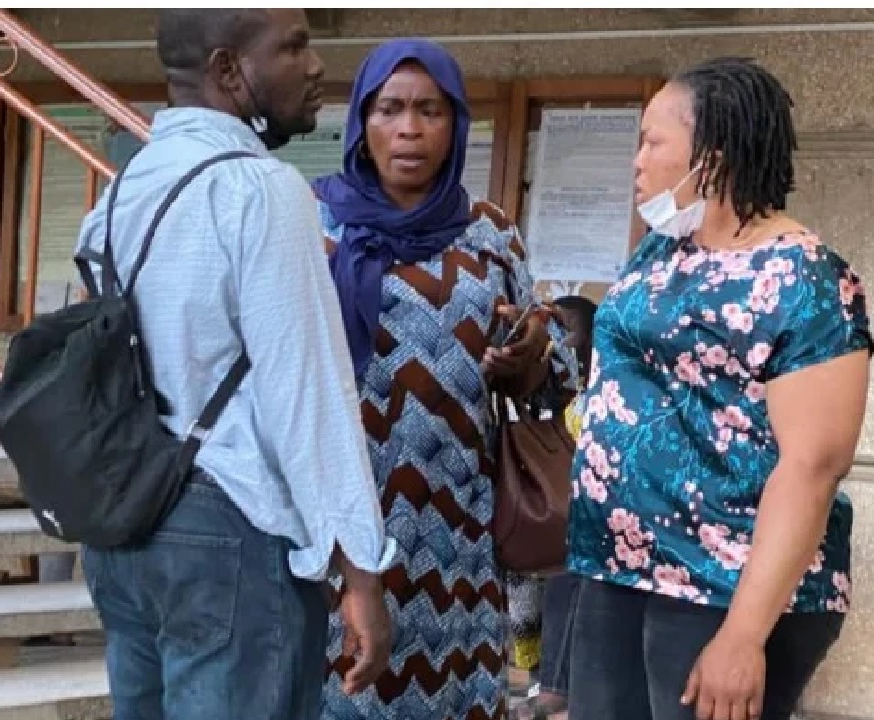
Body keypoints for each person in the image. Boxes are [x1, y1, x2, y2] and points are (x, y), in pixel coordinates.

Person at [75, 10, 395, 720]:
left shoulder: (121, 189)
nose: (315, 67)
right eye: (293, 47)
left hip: (124, 521)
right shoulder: (262, 190)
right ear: (227, 71)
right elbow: (308, 391)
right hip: (228, 530)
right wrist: (362, 571)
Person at [565, 56, 874, 720]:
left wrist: (743, 635)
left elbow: (813, 467)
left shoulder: (806, 279)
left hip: (720, 584)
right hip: (622, 565)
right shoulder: (662, 250)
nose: (637, 160)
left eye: (653, 141)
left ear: (713, 156)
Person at [311, 39, 577, 720]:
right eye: (390, 109)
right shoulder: (315, 224)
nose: (409, 129)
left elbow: (553, 381)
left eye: (430, 110)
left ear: (457, 124)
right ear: (360, 121)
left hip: (455, 532)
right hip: (337, 524)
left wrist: (530, 356)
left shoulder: (489, 234)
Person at [516, 295, 598, 720]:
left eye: (566, 329)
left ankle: (554, 685)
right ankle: (543, 679)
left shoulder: (597, 390)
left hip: (587, 523)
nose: (559, 339)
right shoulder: (564, 389)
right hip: (557, 512)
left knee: (568, 576)